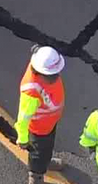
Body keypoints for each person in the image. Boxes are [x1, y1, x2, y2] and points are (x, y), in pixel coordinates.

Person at [15, 45, 66, 184]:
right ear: (40, 72)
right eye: (51, 75)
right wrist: (23, 139)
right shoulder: (31, 92)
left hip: (49, 124)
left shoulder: (41, 63)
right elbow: (23, 118)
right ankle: (36, 176)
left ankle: (46, 161)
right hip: (39, 129)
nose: (55, 77)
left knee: (46, 148)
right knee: (38, 154)